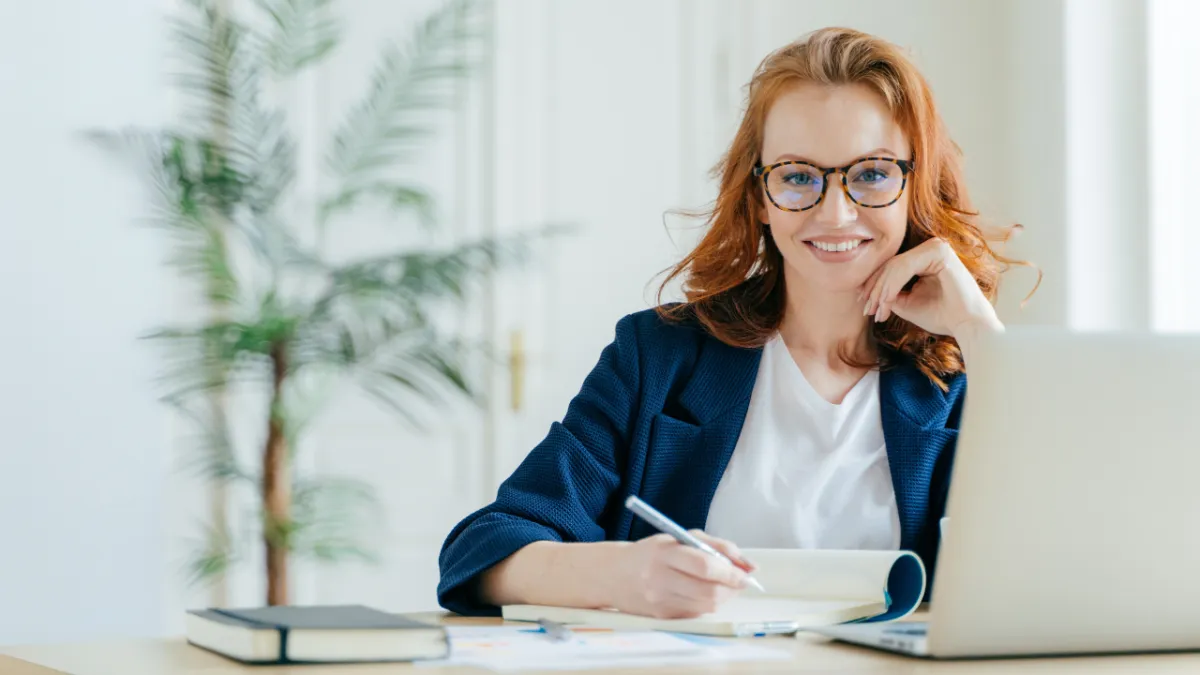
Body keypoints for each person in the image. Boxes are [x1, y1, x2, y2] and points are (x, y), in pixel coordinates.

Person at [437, 26, 1032, 620]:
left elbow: (1059, 562)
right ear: (759, 199)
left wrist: (978, 331)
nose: (835, 212)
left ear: (914, 186)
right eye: (798, 176)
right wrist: (623, 574)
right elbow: (482, 553)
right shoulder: (658, 355)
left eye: (873, 173)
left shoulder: (961, 374)